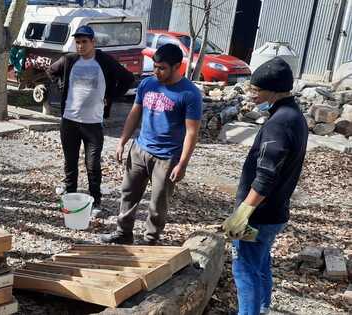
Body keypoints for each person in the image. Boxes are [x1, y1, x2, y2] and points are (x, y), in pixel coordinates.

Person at [222, 57, 307, 315]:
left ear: (275, 90)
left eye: (257, 90)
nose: (252, 94)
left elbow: (266, 175)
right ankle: (263, 308)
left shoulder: (278, 124)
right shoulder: (294, 116)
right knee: (260, 264)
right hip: (275, 212)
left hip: (258, 217)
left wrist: (242, 214)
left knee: (244, 269)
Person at [101, 43, 202, 245]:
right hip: (140, 149)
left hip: (167, 157)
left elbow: (192, 132)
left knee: (158, 204)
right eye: (155, 66)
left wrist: (182, 164)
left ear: (177, 67)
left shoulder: (190, 94)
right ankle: (123, 233)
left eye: (162, 68)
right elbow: (134, 114)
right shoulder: (148, 84)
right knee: (128, 194)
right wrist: (122, 142)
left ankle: (151, 240)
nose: (157, 71)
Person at [46, 25, 134, 213]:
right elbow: (51, 71)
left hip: (93, 124)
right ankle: (70, 196)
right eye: (77, 42)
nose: (80, 46)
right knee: (70, 162)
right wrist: (62, 86)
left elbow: (127, 79)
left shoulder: (104, 61)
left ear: (93, 42)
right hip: (69, 120)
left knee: (92, 164)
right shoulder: (69, 60)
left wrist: (111, 95)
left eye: (84, 42)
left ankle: (95, 201)